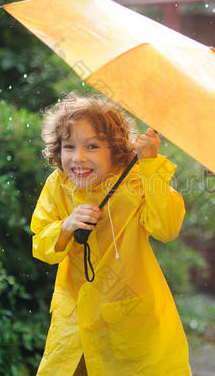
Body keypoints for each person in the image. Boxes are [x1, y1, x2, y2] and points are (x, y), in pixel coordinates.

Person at [31, 93, 192, 376]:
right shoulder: (59, 185)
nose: (78, 158)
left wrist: (151, 165)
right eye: (69, 146)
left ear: (115, 149)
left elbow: (166, 227)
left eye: (92, 146)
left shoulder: (135, 181)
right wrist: (66, 226)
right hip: (74, 328)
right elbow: (41, 245)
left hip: (129, 326)